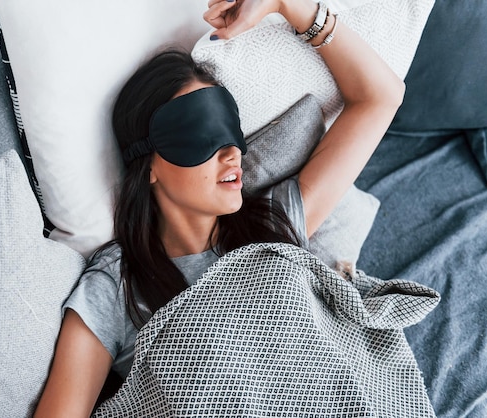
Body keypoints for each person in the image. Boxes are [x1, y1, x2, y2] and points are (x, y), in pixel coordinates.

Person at [34, 0, 405, 415]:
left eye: (230, 129)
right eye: (201, 133)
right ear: (148, 164)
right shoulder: (115, 286)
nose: (232, 152)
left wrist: (288, 5)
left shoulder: (272, 228)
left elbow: (380, 97)